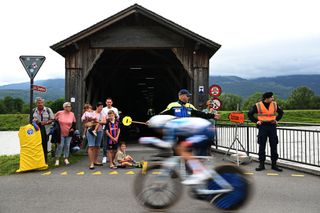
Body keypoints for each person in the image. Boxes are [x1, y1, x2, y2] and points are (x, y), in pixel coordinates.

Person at [144, 115, 215, 185]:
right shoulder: (173, 123)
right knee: (183, 150)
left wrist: (151, 141)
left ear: (160, 125)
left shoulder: (170, 125)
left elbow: (167, 144)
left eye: (156, 129)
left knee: (182, 148)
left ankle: (200, 173)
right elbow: (173, 144)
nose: (158, 131)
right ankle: (201, 179)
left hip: (204, 130)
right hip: (204, 129)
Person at [248, 92, 284, 172]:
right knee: (262, 145)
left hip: (272, 126)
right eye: (271, 97)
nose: (273, 98)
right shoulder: (258, 105)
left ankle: (274, 164)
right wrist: (256, 121)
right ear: (266, 98)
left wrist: (276, 120)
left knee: (274, 145)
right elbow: (250, 114)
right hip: (263, 126)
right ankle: (261, 164)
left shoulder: (274, 104)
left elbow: (281, 112)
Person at [82, 103, 105, 169]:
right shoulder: (91, 113)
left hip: (100, 131)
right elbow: (85, 122)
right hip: (91, 130)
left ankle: (95, 161)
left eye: (102, 107)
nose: (101, 108)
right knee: (91, 146)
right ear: (96, 107)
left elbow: (104, 122)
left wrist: (98, 122)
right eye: (100, 107)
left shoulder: (102, 114)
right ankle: (91, 163)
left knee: (97, 146)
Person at [32, 97, 54, 163]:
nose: (40, 104)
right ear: (36, 104)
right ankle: (38, 160)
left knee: (45, 145)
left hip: (46, 131)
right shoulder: (33, 110)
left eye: (41, 103)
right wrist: (34, 121)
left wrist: (46, 122)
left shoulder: (48, 110)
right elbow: (29, 121)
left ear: (43, 103)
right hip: (36, 132)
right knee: (37, 145)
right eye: (39, 103)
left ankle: (45, 160)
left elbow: (52, 119)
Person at [54, 102, 76, 166]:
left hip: (69, 133)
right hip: (60, 133)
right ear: (65, 107)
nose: (70, 107)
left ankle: (66, 158)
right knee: (60, 146)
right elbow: (54, 120)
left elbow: (74, 123)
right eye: (68, 106)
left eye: (70, 106)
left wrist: (73, 128)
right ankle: (57, 159)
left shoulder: (72, 114)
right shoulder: (59, 113)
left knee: (67, 145)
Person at [101, 98, 119, 164]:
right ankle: (104, 157)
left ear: (112, 102)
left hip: (114, 128)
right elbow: (103, 118)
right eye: (108, 102)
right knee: (105, 143)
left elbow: (117, 117)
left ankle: (113, 159)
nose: (109, 103)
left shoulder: (115, 109)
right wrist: (108, 118)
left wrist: (112, 118)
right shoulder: (103, 109)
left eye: (110, 102)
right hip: (106, 127)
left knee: (114, 143)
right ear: (106, 103)